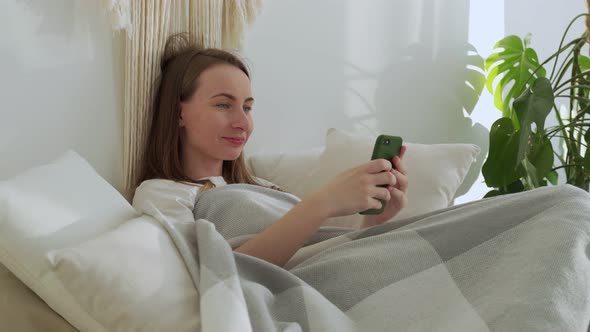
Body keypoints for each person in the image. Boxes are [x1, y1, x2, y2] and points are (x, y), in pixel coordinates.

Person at [132, 34, 409, 268]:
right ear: (179, 112)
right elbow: (211, 277)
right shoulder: (163, 193)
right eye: (223, 105)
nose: (243, 123)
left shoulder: (265, 188)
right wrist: (323, 203)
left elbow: (320, 258)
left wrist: (373, 223)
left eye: (247, 107)